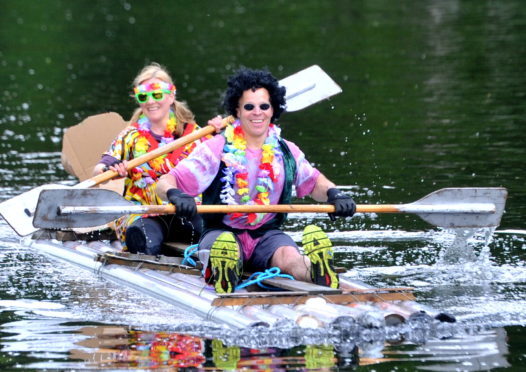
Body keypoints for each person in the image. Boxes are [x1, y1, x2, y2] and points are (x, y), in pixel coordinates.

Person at [156, 68, 356, 293]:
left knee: (290, 256)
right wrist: (176, 194)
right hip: (222, 233)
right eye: (249, 107)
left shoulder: (286, 151)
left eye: (264, 106)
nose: (257, 113)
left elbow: (315, 183)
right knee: (224, 250)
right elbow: (165, 182)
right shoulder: (216, 148)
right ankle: (223, 272)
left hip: (267, 236)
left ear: (273, 110)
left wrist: (335, 194)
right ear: (237, 111)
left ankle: (316, 271)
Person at [93, 62, 223, 255]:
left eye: (157, 94)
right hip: (144, 215)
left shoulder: (197, 135)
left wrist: (222, 135)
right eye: (143, 96)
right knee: (143, 239)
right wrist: (112, 172)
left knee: (212, 235)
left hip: (185, 211)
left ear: (171, 96)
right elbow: (98, 170)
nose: (150, 101)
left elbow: (232, 163)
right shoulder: (131, 136)